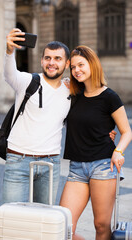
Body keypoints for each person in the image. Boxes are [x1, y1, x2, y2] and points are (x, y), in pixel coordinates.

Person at [3, 28, 116, 205]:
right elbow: (9, 74)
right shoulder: (27, 82)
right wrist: (10, 52)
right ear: (42, 61)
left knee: (43, 219)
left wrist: (107, 130)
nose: (52, 63)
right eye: (47, 58)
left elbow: (91, 109)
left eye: (57, 59)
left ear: (66, 63)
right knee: (10, 214)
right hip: (19, 160)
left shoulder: (72, 90)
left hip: (51, 163)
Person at [60, 45, 132, 240]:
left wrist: (118, 151)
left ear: (92, 64)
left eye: (81, 65)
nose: (77, 70)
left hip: (103, 165)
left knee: (101, 226)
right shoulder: (73, 95)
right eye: (73, 67)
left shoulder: (110, 97)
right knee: (63, 227)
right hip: (76, 169)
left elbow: (126, 132)